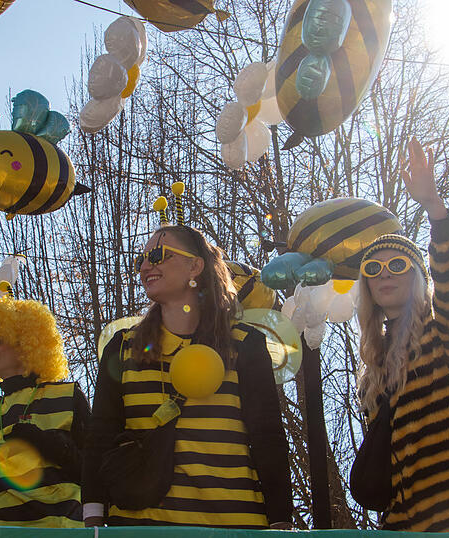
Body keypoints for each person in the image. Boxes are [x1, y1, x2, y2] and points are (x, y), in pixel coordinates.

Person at [82, 217, 293, 529]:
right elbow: (100, 435)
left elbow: (267, 436)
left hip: (233, 525)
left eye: (158, 255)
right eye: (141, 259)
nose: (144, 266)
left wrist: (280, 520)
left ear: (195, 267)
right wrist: (93, 516)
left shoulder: (245, 344)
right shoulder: (123, 348)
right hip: (140, 526)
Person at [351, 138, 449, 531]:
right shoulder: (373, 366)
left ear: (419, 277)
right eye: (373, 269)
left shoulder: (445, 337)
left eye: (398, 264)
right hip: (402, 523)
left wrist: (433, 205)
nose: (384, 273)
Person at [0, 296, 89, 527]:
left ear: (23, 340)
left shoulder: (67, 396)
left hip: (62, 532)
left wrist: (49, 444)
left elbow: (93, 471)